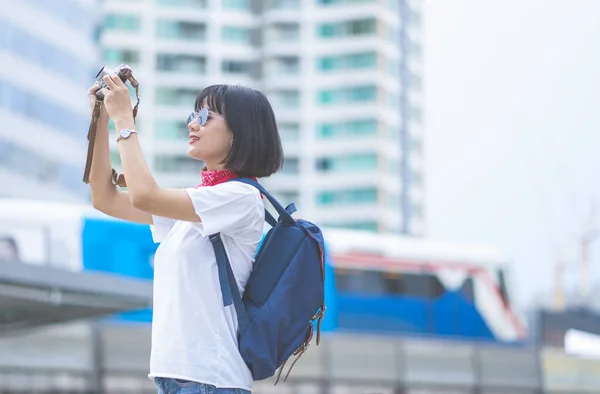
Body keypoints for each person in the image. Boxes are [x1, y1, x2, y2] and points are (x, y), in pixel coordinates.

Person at [87, 74, 283, 394]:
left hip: (210, 380)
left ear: (240, 132)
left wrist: (124, 118)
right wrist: (100, 119)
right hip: (179, 378)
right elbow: (104, 198)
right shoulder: (198, 205)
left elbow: (144, 195)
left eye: (205, 117)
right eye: (193, 115)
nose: (193, 124)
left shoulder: (241, 198)